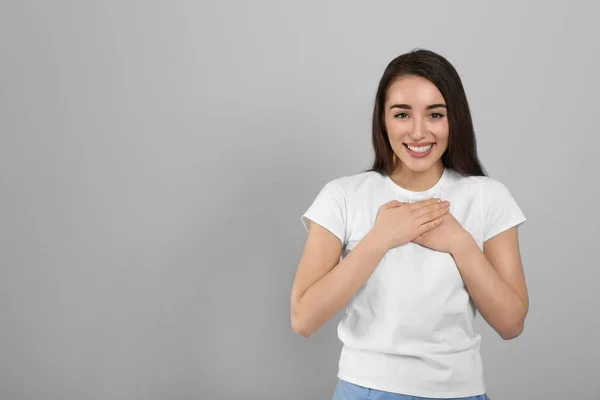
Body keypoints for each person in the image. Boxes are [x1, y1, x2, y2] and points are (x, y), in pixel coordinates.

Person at [290, 49, 528, 400]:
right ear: (383, 120)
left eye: (435, 114)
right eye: (402, 114)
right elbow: (304, 319)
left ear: (454, 120)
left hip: (460, 392)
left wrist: (460, 243)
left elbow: (511, 323)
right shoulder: (343, 196)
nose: (418, 132)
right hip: (367, 390)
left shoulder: (487, 197)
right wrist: (381, 238)